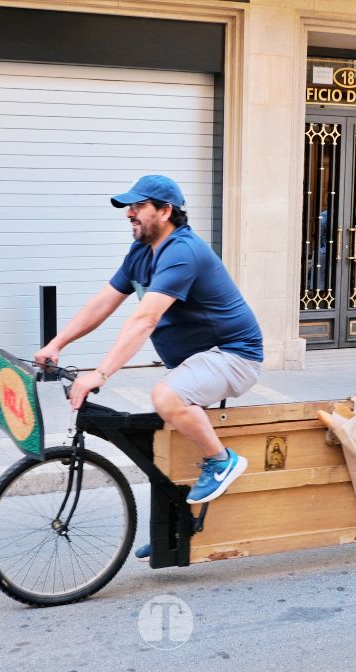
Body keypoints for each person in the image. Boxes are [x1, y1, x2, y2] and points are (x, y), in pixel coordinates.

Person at [34, 175, 264, 559]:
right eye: (130, 207)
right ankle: (171, 531)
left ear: (165, 211)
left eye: (139, 206)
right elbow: (102, 303)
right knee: (165, 439)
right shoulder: (141, 252)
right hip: (196, 362)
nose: (130, 214)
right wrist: (57, 344)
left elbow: (145, 320)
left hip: (233, 355)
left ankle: (222, 462)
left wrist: (100, 374)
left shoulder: (182, 251)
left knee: (166, 397)